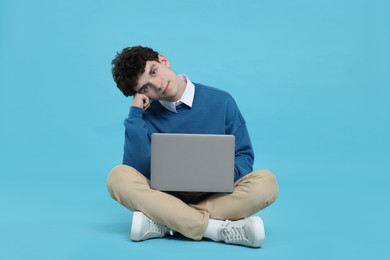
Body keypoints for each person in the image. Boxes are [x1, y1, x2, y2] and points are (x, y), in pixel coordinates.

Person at [107, 46, 278, 248]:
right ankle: (215, 229)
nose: (158, 85)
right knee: (118, 177)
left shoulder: (221, 101)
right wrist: (135, 114)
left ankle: (166, 222)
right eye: (145, 88)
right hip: (165, 196)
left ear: (163, 60)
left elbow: (243, 156)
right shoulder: (144, 115)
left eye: (154, 71)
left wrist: (220, 176)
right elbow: (137, 169)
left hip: (216, 195)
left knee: (267, 182)